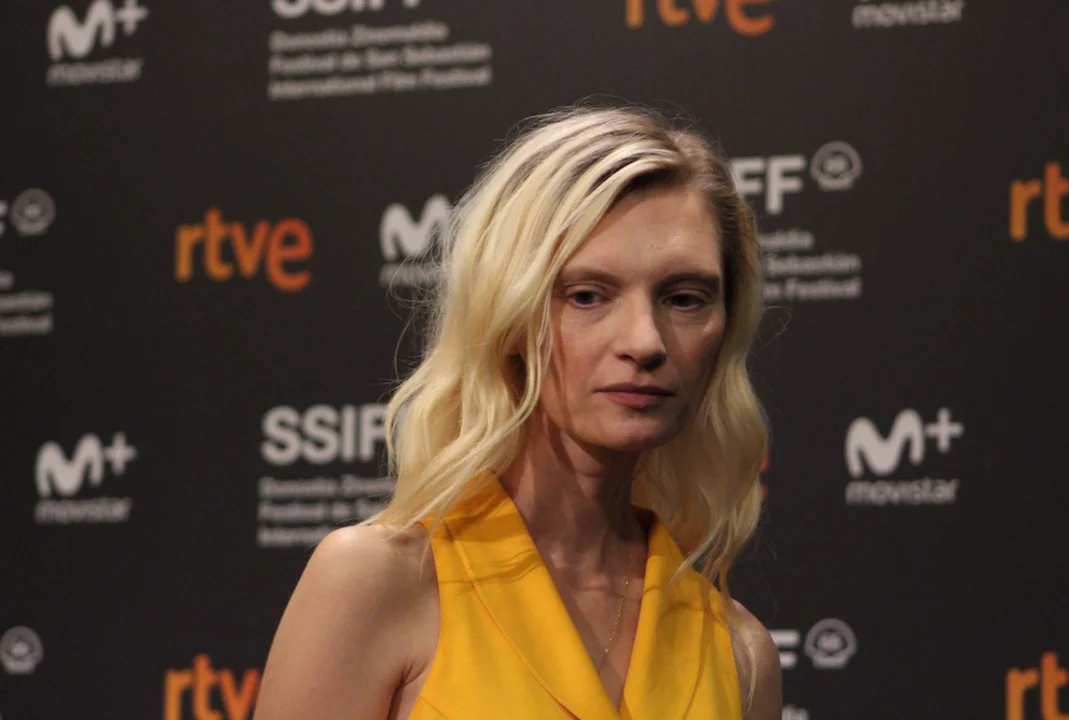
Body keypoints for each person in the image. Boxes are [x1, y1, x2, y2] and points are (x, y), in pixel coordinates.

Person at [254, 102, 782, 719]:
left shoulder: (741, 654)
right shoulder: (379, 582)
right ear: (508, 313)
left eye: (685, 299)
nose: (645, 341)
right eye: (587, 295)